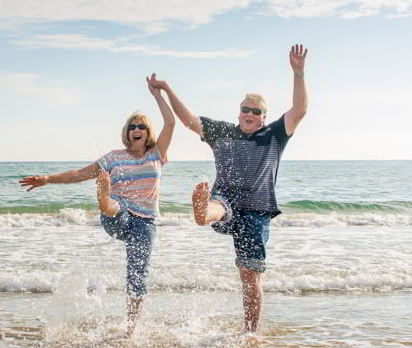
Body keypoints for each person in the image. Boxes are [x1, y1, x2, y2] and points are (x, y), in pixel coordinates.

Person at [164, 44, 309, 334]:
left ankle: (250, 333)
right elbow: (188, 121)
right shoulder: (222, 131)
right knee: (219, 206)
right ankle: (203, 211)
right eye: (245, 109)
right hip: (226, 200)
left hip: (257, 211)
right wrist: (167, 89)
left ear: (264, 117)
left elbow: (300, 109)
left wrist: (298, 72)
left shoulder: (275, 135)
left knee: (250, 275)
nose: (249, 114)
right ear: (239, 112)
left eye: (256, 111)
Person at [18, 73, 176, 337]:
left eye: (141, 127)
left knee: (137, 275)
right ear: (127, 132)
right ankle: (105, 198)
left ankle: (130, 329)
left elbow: (171, 122)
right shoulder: (114, 157)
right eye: (132, 127)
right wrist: (47, 179)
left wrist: (158, 94)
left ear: (148, 132)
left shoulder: (157, 154)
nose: (136, 130)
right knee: (116, 207)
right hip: (118, 215)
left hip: (146, 223)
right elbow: (80, 174)